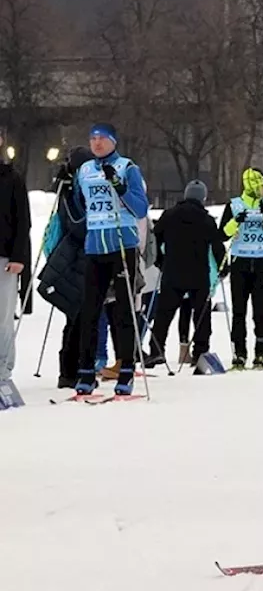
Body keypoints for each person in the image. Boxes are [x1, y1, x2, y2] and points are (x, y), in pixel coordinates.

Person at [74, 123, 150, 396]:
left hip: (122, 245)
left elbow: (141, 207)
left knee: (123, 311)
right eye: (92, 139)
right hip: (95, 246)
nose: (96, 144)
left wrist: (119, 187)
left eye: (102, 139)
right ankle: (85, 371)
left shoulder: (127, 167)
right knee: (90, 311)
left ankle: (126, 369)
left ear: (113, 142)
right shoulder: (84, 170)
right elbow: (80, 205)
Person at [148, 180, 225, 367]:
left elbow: (154, 237)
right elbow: (217, 246)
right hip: (198, 273)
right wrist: (223, 268)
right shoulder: (206, 219)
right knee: (201, 314)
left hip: (172, 270)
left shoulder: (169, 215)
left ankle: (157, 350)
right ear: (203, 198)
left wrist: (159, 259)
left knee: (164, 314)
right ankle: (200, 351)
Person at [37, 146, 92, 389]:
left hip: (78, 254)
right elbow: (77, 224)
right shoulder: (72, 191)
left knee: (77, 315)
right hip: (77, 255)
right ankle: (70, 370)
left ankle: (74, 368)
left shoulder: (70, 188)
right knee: (77, 314)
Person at [219, 167, 263, 369]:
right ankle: (239, 352)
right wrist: (235, 221)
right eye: (262, 184)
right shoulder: (234, 205)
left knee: (260, 311)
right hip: (240, 263)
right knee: (238, 310)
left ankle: (261, 350)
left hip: (261, 263)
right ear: (253, 184)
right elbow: (222, 234)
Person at [0, 128, 30, 384]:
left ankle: (2, 372)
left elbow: (23, 221)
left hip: (4, 259)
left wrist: (18, 256)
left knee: (2, 319)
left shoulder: (12, 179)